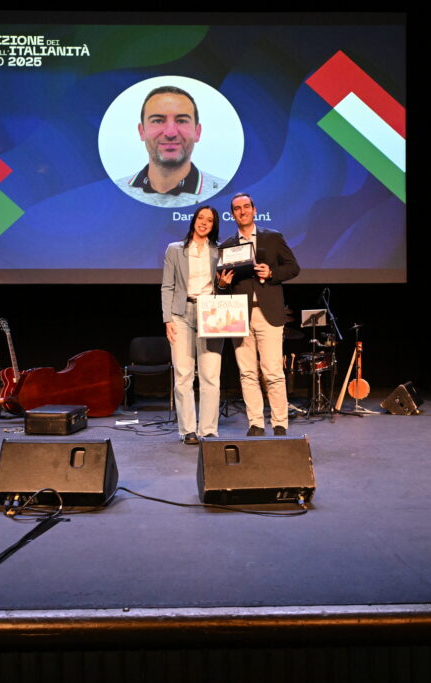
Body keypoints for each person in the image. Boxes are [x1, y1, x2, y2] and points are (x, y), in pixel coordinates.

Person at [217, 193, 300, 436]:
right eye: (237, 208)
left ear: (254, 210)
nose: (242, 211)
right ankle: (255, 423)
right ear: (232, 214)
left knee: (272, 371)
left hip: (269, 313)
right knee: (247, 373)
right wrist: (222, 284)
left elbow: (293, 267)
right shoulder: (226, 246)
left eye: (246, 207)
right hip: (239, 315)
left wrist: (271, 273)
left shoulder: (272, 237)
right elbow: (221, 286)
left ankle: (280, 422)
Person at [161, 206, 225, 443]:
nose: (204, 223)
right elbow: (167, 286)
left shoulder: (219, 251)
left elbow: (224, 286)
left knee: (210, 375)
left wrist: (223, 284)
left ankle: (208, 430)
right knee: (183, 374)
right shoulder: (175, 249)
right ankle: (187, 429)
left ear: (213, 225)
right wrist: (167, 319)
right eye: (201, 218)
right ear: (194, 220)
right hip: (181, 313)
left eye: (209, 220)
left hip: (211, 312)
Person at [116, 85, 226, 208]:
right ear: (142, 132)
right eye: (158, 121)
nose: (170, 133)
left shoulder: (226, 193)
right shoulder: (113, 193)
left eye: (181, 121)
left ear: (197, 132)